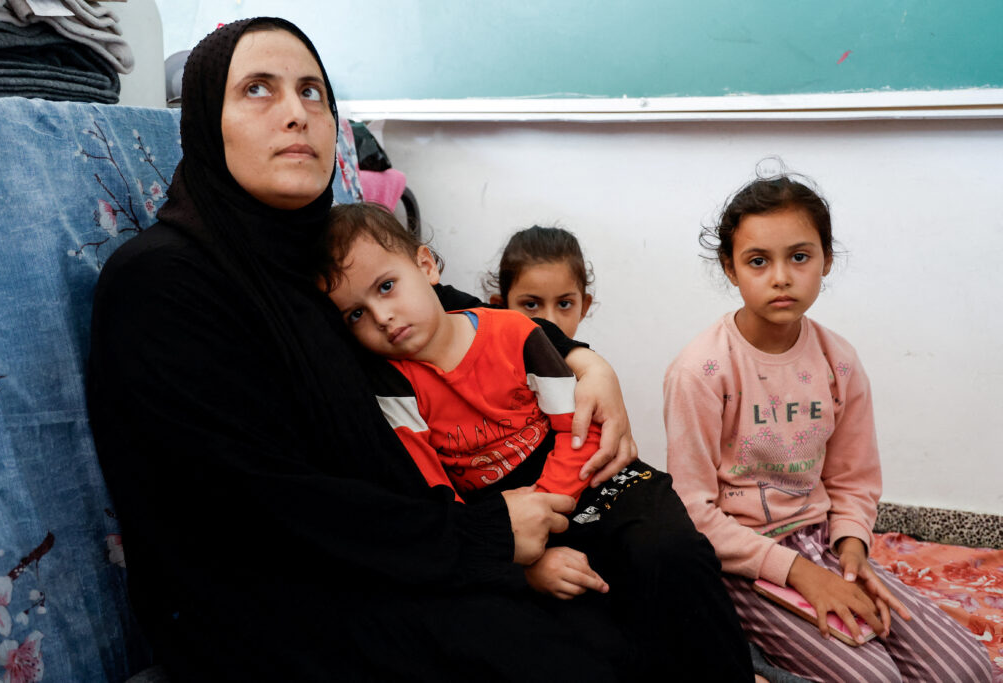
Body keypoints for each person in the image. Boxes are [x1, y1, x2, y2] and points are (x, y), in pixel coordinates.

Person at [86, 17, 645, 682]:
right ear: (208, 124)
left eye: (313, 92)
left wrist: (583, 360)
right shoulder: (162, 283)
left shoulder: (320, 248)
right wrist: (484, 537)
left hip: (400, 552)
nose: (296, 113)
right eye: (258, 90)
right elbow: (258, 507)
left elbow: (458, 312)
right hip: (278, 606)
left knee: (633, 596)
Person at [319, 201, 755, 680]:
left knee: (672, 554)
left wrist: (549, 511)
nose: (381, 316)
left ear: (425, 266)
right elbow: (435, 491)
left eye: (387, 287)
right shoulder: (391, 386)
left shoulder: (515, 332)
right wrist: (521, 560)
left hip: (589, 474)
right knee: (583, 629)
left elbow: (582, 426)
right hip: (510, 518)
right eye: (356, 313)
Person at [663, 172, 994, 681]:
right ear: (730, 268)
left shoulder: (837, 361)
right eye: (758, 261)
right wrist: (800, 574)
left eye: (800, 256)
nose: (781, 276)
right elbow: (693, 512)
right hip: (745, 562)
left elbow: (853, 480)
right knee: (873, 678)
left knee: (966, 668)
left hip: (823, 543)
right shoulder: (702, 370)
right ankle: (752, 660)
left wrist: (854, 551)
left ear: (826, 261)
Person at [487, 225, 593, 338]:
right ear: (500, 309)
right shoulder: (478, 354)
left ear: (583, 308)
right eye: (531, 305)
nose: (550, 321)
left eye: (564, 304)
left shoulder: (589, 356)